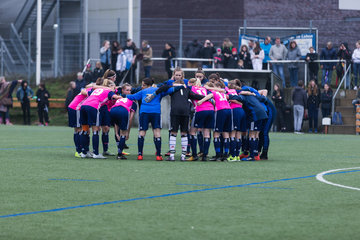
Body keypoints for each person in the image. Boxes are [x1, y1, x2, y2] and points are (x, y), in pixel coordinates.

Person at [126, 78, 184, 161]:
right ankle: (158, 155)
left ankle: (140, 155)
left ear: (146, 85)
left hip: (144, 112)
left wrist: (119, 95)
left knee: (142, 132)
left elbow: (132, 97)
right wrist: (181, 86)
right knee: (157, 132)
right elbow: (172, 89)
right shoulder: (158, 90)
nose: (142, 87)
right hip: (155, 113)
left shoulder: (142, 92)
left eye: (143, 85)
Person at [110, 83, 134, 159]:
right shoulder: (132, 101)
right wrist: (128, 133)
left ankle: (119, 148)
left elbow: (116, 123)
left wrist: (116, 133)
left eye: (130, 90)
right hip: (123, 111)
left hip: (112, 110)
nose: (129, 92)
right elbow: (130, 119)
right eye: (127, 90)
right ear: (123, 90)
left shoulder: (118, 98)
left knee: (118, 130)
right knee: (123, 133)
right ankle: (120, 154)